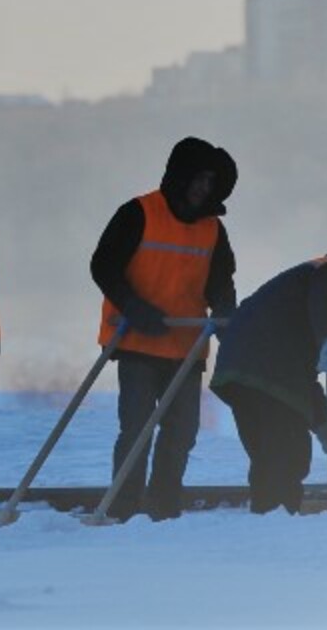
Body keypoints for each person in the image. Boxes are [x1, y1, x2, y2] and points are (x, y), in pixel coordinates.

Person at [89, 137, 238, 521]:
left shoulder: (213, 230)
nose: (203, 189)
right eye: (198, 179)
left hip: (186, 346)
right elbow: (103, 265)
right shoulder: (138, 213)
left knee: (182, 431)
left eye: (210, 182)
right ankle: (123, 507)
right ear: (181, 177)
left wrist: (225, 311)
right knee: (137, 428)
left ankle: (163, 506)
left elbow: (221, 281)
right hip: (137, 339)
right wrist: (133, 306)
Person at [209, 240, 327, 514]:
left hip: (237, 370)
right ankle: (279, 518)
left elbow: (303, 372)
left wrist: (324, 422)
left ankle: (267, 515)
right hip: (271, 370)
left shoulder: (307, 273)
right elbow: (325, 305)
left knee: (266, 455)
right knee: (290, 454)